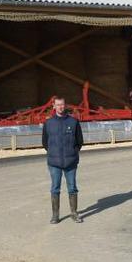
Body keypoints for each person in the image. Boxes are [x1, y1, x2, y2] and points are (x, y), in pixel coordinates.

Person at [42, 96, 84, 224]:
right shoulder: (48, 123)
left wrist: (73, 152)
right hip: (54, 163)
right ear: (53, 106)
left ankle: (74, 213)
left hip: (70, 162)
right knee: (55, 188)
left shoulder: (73, 122)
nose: (60, 107)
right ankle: (55, 215)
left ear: (65, 106)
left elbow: (79, 141)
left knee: (72, 188)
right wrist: (53, 153)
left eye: (62, 104)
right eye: (58, 104)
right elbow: (45, 142)